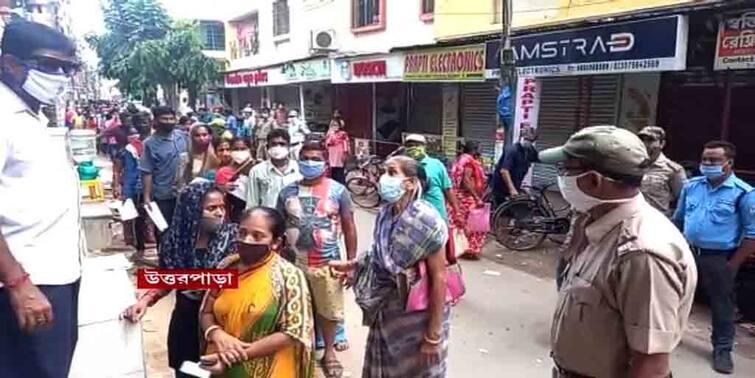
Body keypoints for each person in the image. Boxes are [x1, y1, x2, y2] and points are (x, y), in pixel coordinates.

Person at [538, 126, 697, 377]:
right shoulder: (594, 221)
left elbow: (651, 366)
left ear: (593, 180)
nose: (561, 175)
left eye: (566, 169)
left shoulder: (643, 253)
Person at [0, 20, 82, 378]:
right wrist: (18, 283)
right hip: (25, 283)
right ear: (10, 64)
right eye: (49, 65)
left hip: (54, 278)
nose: (61, 75)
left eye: (68, 67)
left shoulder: (29, 115)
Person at [330, 156, 450, 378]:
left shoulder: (427, 220)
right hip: (387, 310)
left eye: (392, 173)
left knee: (418, 370)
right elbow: (379, 258)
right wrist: (353, 266)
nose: (384, 178)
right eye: (384, 171)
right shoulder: (385, 214)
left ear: (411, 183)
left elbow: (440, 278)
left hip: (418, 316)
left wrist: (434, 335)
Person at [121, 182, 237, 378]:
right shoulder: (173, 241)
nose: (219, 213)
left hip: (224, 323)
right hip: (186, 324)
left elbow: (236, 279)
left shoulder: (233, 238)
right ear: (191, 210)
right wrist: (144, 301)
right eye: (211, 208)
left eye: (222, 207)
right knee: (188, 373)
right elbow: (166, 279)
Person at [198, 207, 315, 377]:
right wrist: (216, 333)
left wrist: (233, 356)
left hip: (267, 369)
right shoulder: (226, 266)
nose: (247, 240)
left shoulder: (288, 276)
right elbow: (206, 311)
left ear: (275, 242)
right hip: (219, 365)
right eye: (242, 232)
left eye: (257, 236)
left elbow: (294, 331)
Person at [277, 140, 358, 378]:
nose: (310, 162)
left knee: (329, 310)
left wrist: (351, 263)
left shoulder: (338, 191)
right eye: (305, 157)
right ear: (298, 159)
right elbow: (278, 227)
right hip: (294, 264)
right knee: (296, 309)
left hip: (328, 263)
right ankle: (303, 350)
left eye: (315, 158)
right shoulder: (287, 192)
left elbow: (349, 227)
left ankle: (329, 353)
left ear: (325, 163)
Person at [673, 140, 755, 374]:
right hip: (687, 252)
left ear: (729, 163)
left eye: (714, 160)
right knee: (673, 293)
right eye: (705, 159)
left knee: (721, 305)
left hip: (719, 258)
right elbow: (678, 220)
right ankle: (666, 335)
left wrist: (733, 264)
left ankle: (722, 350)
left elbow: (752, 235)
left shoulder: (743, 194)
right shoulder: (691, 187)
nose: (707, 164)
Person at [140, 106, 190, 236]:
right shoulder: (149, 144)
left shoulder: (183, 137)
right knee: (165, 231)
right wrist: (146, 197)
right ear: (156, 121)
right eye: (164, 119)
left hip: (185, 193)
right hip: (163, 195)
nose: (168, 121)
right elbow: (147, 172)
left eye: (171, 118)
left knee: (185, 230)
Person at [404, 134, 459, 221]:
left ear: (424, 146)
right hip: (410, 218)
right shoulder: (401, 166)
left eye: (417, 145)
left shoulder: (436, 165)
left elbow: (447, 189)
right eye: (410, 146)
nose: (413, 148)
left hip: (436, 215)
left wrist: (457, 211)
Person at [448, 141, 487, 259]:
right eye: (480, 148)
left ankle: (459, 248)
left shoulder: (460, 159)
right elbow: (466, 181)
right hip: (466, 197)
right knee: (475, 224)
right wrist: (476, 197)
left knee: (460, 223)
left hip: (458, 196)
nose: (481, 150)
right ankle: (469, 250)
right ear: (474, 149)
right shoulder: (469, 162)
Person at [637, 126, 687, 215]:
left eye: (650, 140)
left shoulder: (672, 170)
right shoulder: (632, 164)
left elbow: (683, 199)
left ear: (662, 144)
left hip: (657, 221)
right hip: (632, 220)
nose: (645, 144)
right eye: (642, 140)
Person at [116, 127, 149, 262]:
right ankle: (138, 247)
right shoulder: (124, 152)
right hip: (131, 189)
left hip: (147, 189)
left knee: (146, 219)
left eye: (136, 134)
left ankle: (144, 246)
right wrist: (117, 186)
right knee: (134, 220)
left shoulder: (147, 149)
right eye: (131, 135)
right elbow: (117, 170)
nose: (134, 137)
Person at [247, 129, 301, 208]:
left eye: (282, 144)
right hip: (268, 217)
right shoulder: (257, 171)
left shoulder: (299, 169)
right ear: (267, 147)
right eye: (274, 144)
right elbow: (252, 202)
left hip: (293, 218)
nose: (278, 147)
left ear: (289, 147)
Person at [491, 127, 539, 206]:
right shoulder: (512, 150)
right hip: (502, 185)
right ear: (522, 137)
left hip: (516, 181)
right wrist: (512, 189)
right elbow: (504, 171)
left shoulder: (529, 150)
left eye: (531, 141)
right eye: (527, 139)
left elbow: (537, 158)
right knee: (507, 210)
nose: (529, 142)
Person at [325, 118, 350, 184]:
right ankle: (334, 184)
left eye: (336, 125)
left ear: (339, 126)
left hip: (339, 154)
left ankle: (341, 184)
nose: (335, 127)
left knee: (339, 170)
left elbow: (346, 143)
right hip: (332, 154)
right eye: (333, 125)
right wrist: (330, 133)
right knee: (332, 170)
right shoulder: (330, 133)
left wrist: (345, 153)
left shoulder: (343, 133)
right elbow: (327, 143)